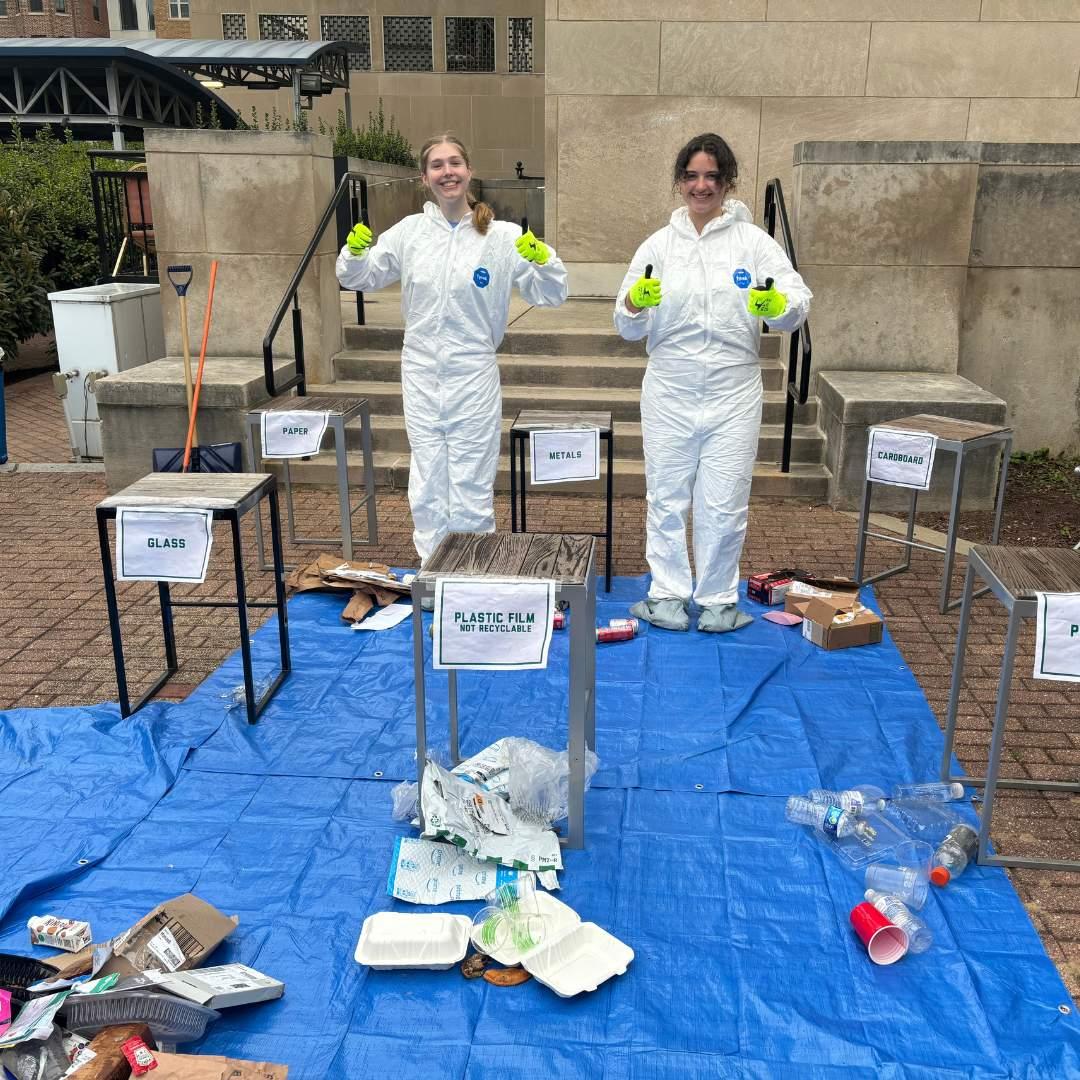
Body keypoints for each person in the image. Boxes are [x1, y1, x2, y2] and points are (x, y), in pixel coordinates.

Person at [336, 135, 568, 565]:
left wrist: (542, 260)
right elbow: (362, 277)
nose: (448, 172)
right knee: (427, 478)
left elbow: (551, 294)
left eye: (455, 162)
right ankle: (433, 569)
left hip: (473, 372)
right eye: (438, 165)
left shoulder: (500, 237)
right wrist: (353, 253)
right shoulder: (410, 233)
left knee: (472, 479)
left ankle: (472, 570)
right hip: (421, 371)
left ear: (469, 170)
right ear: (425, 178)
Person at [614, 133, 811, 632]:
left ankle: (719, 598)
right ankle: (667, 594)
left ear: (727, 183)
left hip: (733, 389)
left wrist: (777, 307)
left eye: (712, 176)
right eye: (693, 176)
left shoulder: (753, 243)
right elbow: (625, 322)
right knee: (666, 495)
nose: (702, 186)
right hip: (670, 387)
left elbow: (796, 300)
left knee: (723, 500)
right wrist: (636, 301)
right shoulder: (658, 245)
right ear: (679, 182)